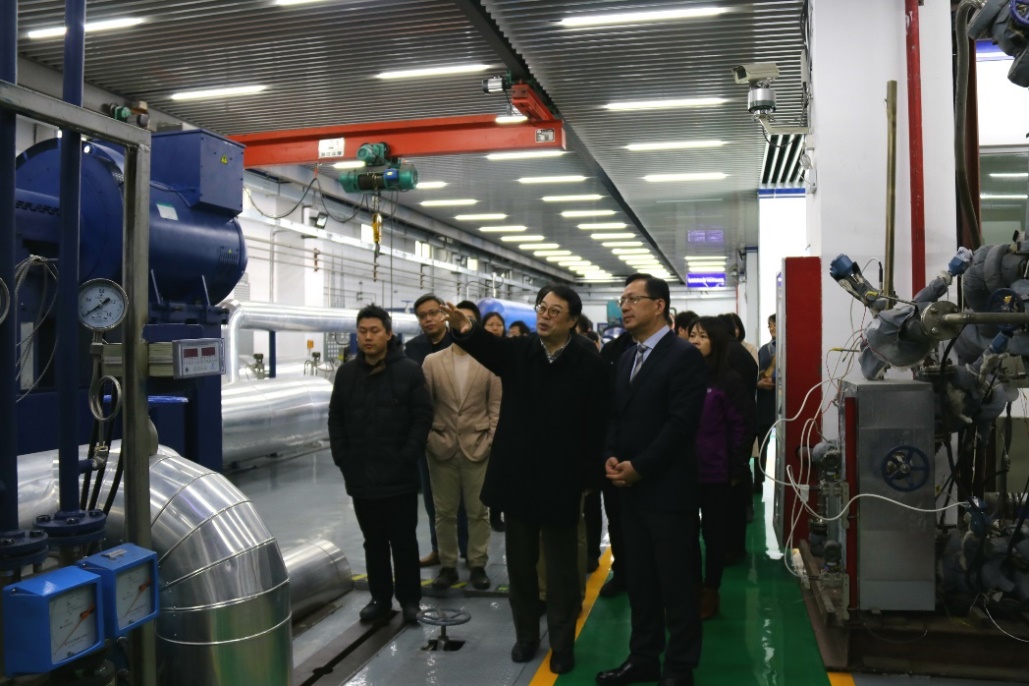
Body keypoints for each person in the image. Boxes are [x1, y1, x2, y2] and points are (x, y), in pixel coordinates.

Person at [440, 285, 608, 676]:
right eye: (541, 308)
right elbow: (487, 347)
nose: (544, 316)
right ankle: (527, 635)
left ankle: (562, 643)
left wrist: (589, 478)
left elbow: (597, 424)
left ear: (572, 320)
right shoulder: (520, 352)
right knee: (520, 567)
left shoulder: (589, 363)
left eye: (554, 311)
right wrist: (465, 329)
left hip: (562, 480)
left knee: (562, 571)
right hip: (518, 478)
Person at [598, 274, 708, 686]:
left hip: (668, 492)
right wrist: (610, 455)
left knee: (676, 584)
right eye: (622, 299)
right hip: (629, 492)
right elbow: (615, 415)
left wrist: (640, 466)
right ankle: (643, 656)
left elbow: (681, 424)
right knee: (641, 582)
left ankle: (679, 666)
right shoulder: (627, 356)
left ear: (659, 305)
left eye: (633, 299)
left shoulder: (683, 356)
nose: (624, 306)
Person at [327, 305, 432, 624]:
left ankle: (410, 601)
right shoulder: (347, 374)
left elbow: (422, 417)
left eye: (374, 331)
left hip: (399, 476)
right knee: (373, 542)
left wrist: (407, 455)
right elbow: (336, 419)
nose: (368, 337)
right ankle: (380, 598)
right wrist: (343, 458)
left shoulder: (409, 371)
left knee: (404, 542)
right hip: (361, 475)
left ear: (388, 334)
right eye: (362, 331)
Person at [422, 308, 501, 591]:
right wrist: (429, 437)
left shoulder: (489, 362)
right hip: (440, 447)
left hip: (478, 447)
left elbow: (496, 405)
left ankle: (477, 564)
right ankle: (448, 565)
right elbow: (425, 405)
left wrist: (490, 440)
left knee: (479, 511)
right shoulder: (432, 362)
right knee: (444, 512)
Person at [687, 317, 755, 620]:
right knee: (686, 533)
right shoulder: (684, 376)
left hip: (716, 472)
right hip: (684, 471)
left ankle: (710, 590)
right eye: (692, 335)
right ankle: (691, 586)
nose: (695, 340)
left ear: (716, 341)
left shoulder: (728, 381)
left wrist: (736, 467)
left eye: (702, 336)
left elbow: (744, 426)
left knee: (714, 535)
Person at [405, 293, 468, 567]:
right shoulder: (412, 349)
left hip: (462, 430)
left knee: (464, 499)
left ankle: (467, 550)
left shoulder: (460, 342)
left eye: (433, 313)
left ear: (444, 314)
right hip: (427, 433)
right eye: (422, 316)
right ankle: (438, 549)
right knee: (433, 499)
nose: (428, 319)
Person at [480, 310, 508, 533]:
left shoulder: (510, 351)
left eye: (499, 324)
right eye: (490, 324)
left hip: (505, 416)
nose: (495, 328)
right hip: (480, 420)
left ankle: (497, 512)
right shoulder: (478, 352)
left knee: (500, 471)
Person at [755, 314, 777, 492]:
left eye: (774, 324)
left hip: (785, 401)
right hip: (766, 402)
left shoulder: (790, 348)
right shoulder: (763, 350)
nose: (771, 328)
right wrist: (760, 381)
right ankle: (759, 479)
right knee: (762, 442)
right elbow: (756, 373)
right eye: (769, 325)